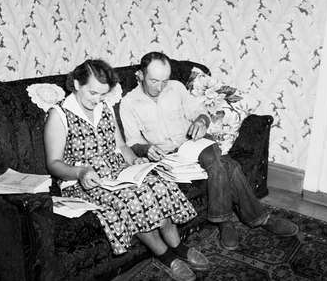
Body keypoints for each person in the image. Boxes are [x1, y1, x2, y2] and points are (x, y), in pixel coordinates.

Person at [44, 59, 209, 281]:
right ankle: (166, 256)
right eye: (93, 93)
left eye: (102, 94)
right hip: (83, 179)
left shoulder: (104, 107)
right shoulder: (59, 114)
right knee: (132, 200)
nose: (98, 100)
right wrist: (80, 173)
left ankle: (179, 245)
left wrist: (134, 162)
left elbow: (121, 146)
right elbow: (53, 163)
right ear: (76, 84)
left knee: (159, 185)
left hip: (116, 170)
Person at [120, 51, 299, 251]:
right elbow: (133, 141)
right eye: (154, 81)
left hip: (195, 142)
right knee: (228, 165)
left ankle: (224, 222)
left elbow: (198, 111)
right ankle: (258, 218)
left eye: (164, 80)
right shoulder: (128, 103)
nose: (161, 87)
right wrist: (146, 148)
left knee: (215, 160)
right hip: (168, 157)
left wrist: (201, 121)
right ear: (140, 75)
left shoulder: (176, 88)